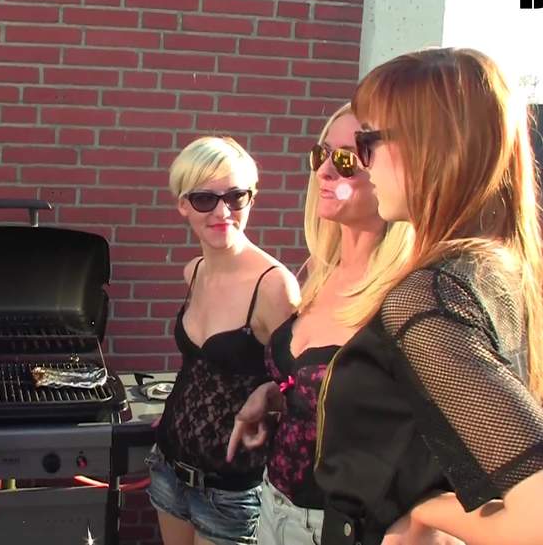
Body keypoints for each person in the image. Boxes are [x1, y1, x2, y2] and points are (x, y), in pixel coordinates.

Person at [313, 48, 543, 545]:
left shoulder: (429, 296)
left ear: (433, 147)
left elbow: (537, 516)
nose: (363, 163)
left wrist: (429, 513)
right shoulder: (496, 270)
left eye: (368, 143)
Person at [227, 104, 414, 544]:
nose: (325, 171)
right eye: (321, 154)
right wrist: (274, 394)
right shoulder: (320, 269)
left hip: (338, 526)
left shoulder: (406, 294)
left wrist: (424, 521)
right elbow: (339, 391)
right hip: (271, 504)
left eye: (346, 159)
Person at [146, 136, 300, 545]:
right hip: (168, 468)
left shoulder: (274, 286)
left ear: (252, 198)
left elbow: (304, 390)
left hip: (231, 490)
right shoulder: (194, 271)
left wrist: (271, 399)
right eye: (204, 199)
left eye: (235, 197)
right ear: (183, 205)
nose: (222, 212)